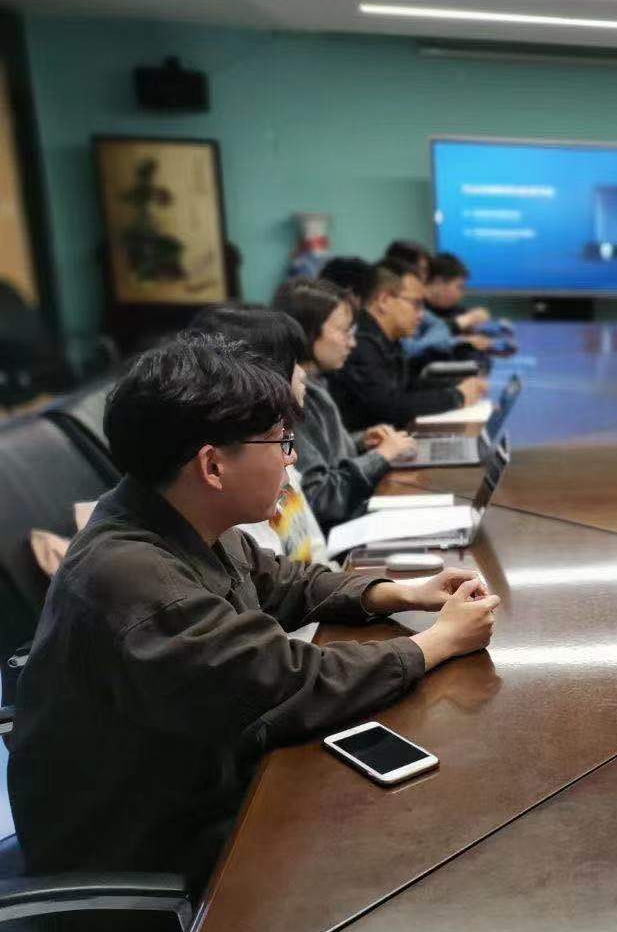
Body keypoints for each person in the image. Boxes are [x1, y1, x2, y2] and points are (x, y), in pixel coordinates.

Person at [7, 333, 500, 888]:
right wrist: (437, 642)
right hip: (143, 847)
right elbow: (284, 682)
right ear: (213, 466)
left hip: (199, 782)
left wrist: (403, 592)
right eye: (281, 442)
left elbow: (283, 582)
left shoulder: (176, 513)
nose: (292, 460)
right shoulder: (133, 577)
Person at [274, 276, 416, 529]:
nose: (352, 342)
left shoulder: (317, 384)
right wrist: (381, 456)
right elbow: (319, 498)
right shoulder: (295, 397)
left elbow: (325, 456)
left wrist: (359, 442)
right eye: (343, 331)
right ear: (307, 332)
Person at [189, 304, 329, 561]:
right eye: (291, 362)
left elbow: (314, 554)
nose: (302, 374)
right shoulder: (245, 473)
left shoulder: (276, 445)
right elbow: (273, 576)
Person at [326, 257, 488, 430]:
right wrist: (456, 396)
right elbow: (387, 406)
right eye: (416, 304)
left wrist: (457, 385)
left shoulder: (387, 338)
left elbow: (407, 387)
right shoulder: (360, 342)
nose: (421, 315)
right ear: (384, 300)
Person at [385, 241, 495, 361]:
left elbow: (439, 326)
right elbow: (409, 350)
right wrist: (456, 341)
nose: (426, 276)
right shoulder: (393, 301)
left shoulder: (418, 304)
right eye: (422, 270)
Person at [425, 251, 495, 334]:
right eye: (459, 287)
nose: (463, 293)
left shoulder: (450, 309)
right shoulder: (417, 307)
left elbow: (458, 316)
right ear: (439, 283)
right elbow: (427, 333)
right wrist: (465, 320)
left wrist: (475, 318)